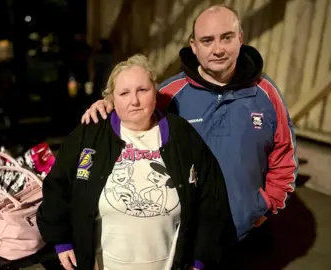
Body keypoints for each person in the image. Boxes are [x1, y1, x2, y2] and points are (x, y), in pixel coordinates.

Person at [81, 4, 298, 243]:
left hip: (245, 232)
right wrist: (108, 104)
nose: (218, 49)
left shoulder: (266, 94)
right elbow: (133, 110)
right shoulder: (170, 94)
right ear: (194, 46)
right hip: (183, 234)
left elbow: (283, 154)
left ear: (240, 39)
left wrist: (267, 203)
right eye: (207, 41)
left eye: (226, 38)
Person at [37, 54, 236, 270]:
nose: (135, 101)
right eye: (124, 93)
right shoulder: (90, 134)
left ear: (155, 91)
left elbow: (211, 200)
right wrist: (61, 240)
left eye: (143, 90)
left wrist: (200, 259)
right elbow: (57, 186)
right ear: (111, 99)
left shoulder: (183, 136)